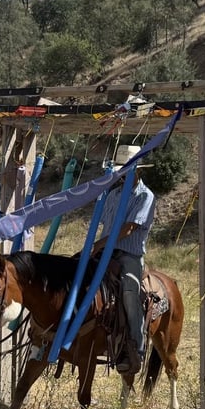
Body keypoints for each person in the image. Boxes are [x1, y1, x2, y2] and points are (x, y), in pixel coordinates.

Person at [90, 145, 156, 374]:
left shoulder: (145, 196)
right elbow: (103, 223)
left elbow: (128, 228)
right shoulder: (112, 195)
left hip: (129, 254)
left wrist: (100, 243)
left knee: (129, 290)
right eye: (121, 170)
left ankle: (136, 346)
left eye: (127, 169)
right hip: (104, 251)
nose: (123, 174)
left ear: (138, 170)